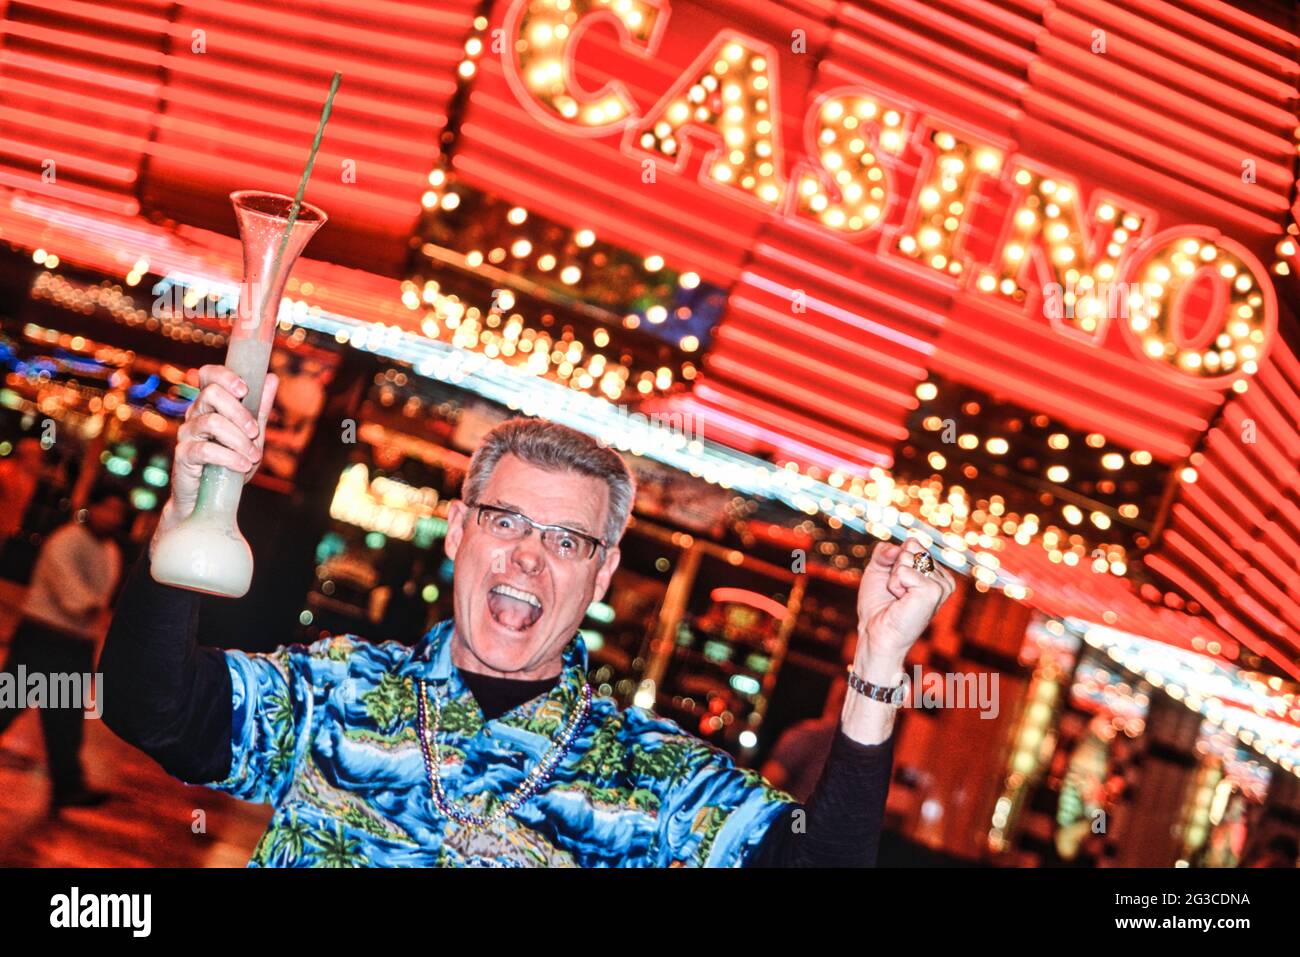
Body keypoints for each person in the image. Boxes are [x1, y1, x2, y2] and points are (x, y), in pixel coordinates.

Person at [101, 364, 955, 867]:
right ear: (460, 530)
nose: (527, 556)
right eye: (505, 521)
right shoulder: (336, 688)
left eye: (566, 539)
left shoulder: (653, 783)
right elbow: (152, 705)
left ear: (602, 573)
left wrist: (879, 660)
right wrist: (188, 513)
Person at [0, 486, 127, 812]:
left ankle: (69, 786)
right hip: (42, 637)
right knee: (7, 706)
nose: (111, 517)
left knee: (66, 721)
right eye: (107, 508)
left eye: (118, 511)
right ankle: (69, 786)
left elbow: (97, 601)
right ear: (92, 508)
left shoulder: (110, 550)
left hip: (74, 644)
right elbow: (76, 600)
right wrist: (97, 611)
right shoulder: (66, 541)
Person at [761, 675, 849, 803]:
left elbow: (767, 786)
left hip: (797, 819)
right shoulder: (867, 752)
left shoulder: (809, 734)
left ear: (835, 697)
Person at [0, 436, 43, 542]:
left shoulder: (31, 478)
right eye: (36, 456)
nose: (39, 460)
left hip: (7, 529)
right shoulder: (4, 472)